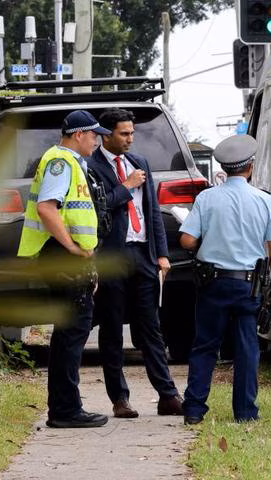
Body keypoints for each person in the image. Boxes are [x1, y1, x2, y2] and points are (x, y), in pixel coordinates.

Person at [178, 134, 271, 424]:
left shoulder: (206, 198)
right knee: (247, 349)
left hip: (213, 283)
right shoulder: (264, 200)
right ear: (251, 167)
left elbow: (187, 240)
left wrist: (207, 241)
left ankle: (194, 410)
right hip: (248, 286)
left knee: (205, 346)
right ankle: (245, 412)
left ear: (224, 169)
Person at [17, 110, 112, 429]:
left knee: (70, 332)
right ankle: (65, 410)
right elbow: (47, 208)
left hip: (69, 258)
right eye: (94, 135)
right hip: (62, 255)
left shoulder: (72, 162)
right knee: (72, 333)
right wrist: (71, 248)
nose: (97, 141)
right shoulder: (61, 162)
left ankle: (64, 407)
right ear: (78, 134)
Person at [86, 108, 183, 419]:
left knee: (151, 327)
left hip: (143, 254)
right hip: (112, 256)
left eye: (132, 133)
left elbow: (152, 211)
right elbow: (97, 208)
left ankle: (168, 395)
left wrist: (162, 254)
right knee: (112, 328)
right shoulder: (90, 167)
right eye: (124, 133)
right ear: (106, 135)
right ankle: (120, 399)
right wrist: (126, 186)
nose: (130, 138)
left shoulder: (139, 162)